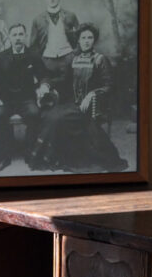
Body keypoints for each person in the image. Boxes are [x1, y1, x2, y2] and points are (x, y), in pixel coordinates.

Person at [28, 22, 126, 173]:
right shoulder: (73, 59)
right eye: (83, 38)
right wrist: (46, 85)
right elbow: (62, 80)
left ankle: (48, 157)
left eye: (90, 37)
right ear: (78, 40)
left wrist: (92, 94)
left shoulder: (100, 60)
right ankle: (45, 157)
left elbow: (110, 86)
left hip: (93, 106)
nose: (87, 41)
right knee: (49, 114)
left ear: (94, 40)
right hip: (73, 105)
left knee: (57, 118)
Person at [0, 23, 44, 165]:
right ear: (10, 38)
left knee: (35, 113)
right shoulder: (2, 57)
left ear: (25, 36)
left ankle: (30, 152)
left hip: (26, 99)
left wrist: (43, 86)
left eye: (20, 34)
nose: (18, 38)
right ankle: (5, 154)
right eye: (14, 35)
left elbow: (44, 75)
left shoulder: (33, 55)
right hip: (6, 100)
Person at [29, 0, 79, 88]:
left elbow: (80, 38)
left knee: (69, 89)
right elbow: (33, 46)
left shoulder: (71, 16)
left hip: (68, 58)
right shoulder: (38, 20)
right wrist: (38, 63)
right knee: (49, 90)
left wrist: (74, 54)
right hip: (47, 60)